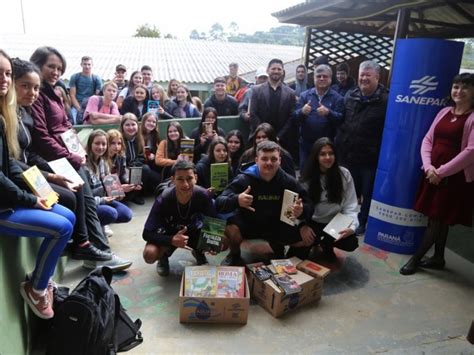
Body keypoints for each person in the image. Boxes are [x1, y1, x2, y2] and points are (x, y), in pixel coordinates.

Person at [29, 46, 132, 271]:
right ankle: (93, 249)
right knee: (83, 198)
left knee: (88, 202)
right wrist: (71, 156)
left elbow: (65, 126)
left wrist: (79, 150)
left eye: (59, 68)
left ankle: (97, 251)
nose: (56, 72)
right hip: (56, 160)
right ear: (37, 65)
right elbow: (42, 136)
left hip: (70, 156)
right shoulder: (37, 96)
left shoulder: (54, 93)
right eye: (51, 67)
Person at [0, 49, 75, 319]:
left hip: (15, 192)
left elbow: (12, 165)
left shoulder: (12, 115)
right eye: (25, 85)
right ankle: (36, 288)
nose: (4, 80)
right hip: (4, 207)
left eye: (7, 73)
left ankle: (41, 277)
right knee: (62, 226)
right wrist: (33, 199)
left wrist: (46, 180)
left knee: (67, 211)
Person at [400, 73, 474, 275]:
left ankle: (415, 260)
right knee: (439, 218)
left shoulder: (472, 118)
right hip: (432, 174)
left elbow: (471, 152)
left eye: (465, 87)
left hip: (453, 178)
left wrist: (440, 172)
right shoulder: (443, 112)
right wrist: (428, 167)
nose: (459, 91)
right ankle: (439, 257)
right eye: (456, 86)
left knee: (437, 218)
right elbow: (427, 140)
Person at [216, 141, 313, 265]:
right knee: (231, 228)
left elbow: (309, 203)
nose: (269, 163)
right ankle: (234, 254)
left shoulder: (289, 181)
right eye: (264, 159)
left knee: (308, 238)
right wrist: (236, 200)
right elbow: (219, 202)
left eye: (273, 159)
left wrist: (302, 210)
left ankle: (279, 247)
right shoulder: (244, 179)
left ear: (280, 161)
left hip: (275, 225)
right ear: (257, 160)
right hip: (248, 224)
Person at [335, 60, 388, 235]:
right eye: (361, 75)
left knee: (367, 194)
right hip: (348, 156)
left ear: (377, 77)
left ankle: (362, 223)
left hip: (370, 159)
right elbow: (341, 120)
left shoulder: (386, 100)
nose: (364, 78)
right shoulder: (350, 95)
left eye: (368, 75)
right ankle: (344, 222)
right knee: (347, 192)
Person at [142, 160, 218, 276]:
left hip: (194, 231)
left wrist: (212, 243)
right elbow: (146, 233)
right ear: (173, 180)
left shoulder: (203, 195)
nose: (186, 184)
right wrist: (171, 240)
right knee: (149, 254)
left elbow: (213, 222)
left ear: (195, 178)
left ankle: (199, 252)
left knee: (223, 242)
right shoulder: (164, 198)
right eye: (180, 179)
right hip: (169, 233)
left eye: (189, 178)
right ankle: (163, 258)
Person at [300, 137, 359, 261]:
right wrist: (302, 226)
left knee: (351, 242)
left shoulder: (344, 174)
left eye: (331, 153)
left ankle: (327, 243)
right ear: (316, 157)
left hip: (335, 222)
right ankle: (315, 242)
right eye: (322, 154)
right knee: (296, 253)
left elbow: (351, 205)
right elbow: (298, 208)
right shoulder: (306, 177)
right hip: (312, 222)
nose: (327, 157)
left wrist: (352, 227)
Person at [294, 64, 344, 170]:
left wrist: (328, 113)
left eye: (325, 76)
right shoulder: (305, 95)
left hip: (326, 148)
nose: (322, 78)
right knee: (305, 176)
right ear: (314, 78)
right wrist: (302, 112)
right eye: (319, 76)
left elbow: (341, 120)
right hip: (306, 146)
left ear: (331, 78)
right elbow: (294, 118)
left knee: (324, 176)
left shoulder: (338, 98)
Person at [84, 130, 133, 232]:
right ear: (90, 144)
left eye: (103, 144)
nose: (101, 147)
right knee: (111, 213)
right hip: (90, 204)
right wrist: (103, 200)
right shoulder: (84, 165)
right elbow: (85, 199)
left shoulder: (104, 161)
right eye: (97, 143)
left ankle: (100, 223)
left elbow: (113, 191)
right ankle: (93, 229)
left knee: (126, 214)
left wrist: (120, 189)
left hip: (103, 199)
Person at [250, 58, 296, 155]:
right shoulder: (256, 90)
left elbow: (291, 117)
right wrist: (264, 135)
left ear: (283, 71)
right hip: (261, 139)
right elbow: (253, 113)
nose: (276, 71)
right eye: (273, 68)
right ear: (268, 70)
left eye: (279, 69)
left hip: (283, 140)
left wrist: (279, 136)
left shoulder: (290, 93)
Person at [120, 113, 161, 202]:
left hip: (134, 167)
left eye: (133, 124)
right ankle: (130, 194)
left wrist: (133, 165)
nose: (131, 128)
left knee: (145, 169)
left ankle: (136, 193)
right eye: (127, 125)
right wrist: (127, 167)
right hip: (123, 170)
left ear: (137, 126)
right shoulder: (119, 139)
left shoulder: (139, 139)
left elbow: (141, 156)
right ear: (122, 126)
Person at [69, 56, 103, 124]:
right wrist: (79, 108)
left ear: (92, 65)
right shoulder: (75, 77)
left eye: (89, 64)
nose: (87, 66)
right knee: (73, 122)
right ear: (81, 64)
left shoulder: (96, 79)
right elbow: (72, 95)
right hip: (77, 105)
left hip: (91, 106)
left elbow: (97, 96)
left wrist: (88, 109)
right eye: (85, 64)